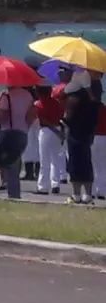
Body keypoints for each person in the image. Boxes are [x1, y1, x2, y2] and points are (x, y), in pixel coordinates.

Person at [61, 72, 101, 204]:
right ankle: (88, 194)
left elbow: (69, 112)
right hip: (89, 131)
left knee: (75, 162)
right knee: (86, 161)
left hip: (76, 131)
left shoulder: (77, 94)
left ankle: (76, 194)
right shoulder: (96, 91)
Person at [0, 83, 35, 200]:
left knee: (8, 164)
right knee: (16, 161)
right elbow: (31, 116)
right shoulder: (28, 96)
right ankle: (14, 192)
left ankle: (13, 194)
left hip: (8, 132)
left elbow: (1, 118)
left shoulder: (6, 96)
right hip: (23, 132)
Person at [34, 83, 65, 196]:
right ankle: (55, 183)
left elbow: (41, 118)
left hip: (45, 131)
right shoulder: (57, 103)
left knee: (44, 160)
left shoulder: (38, 104)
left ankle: (42, 186)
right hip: (57, 129)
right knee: (55, 158)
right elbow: (61, 115)